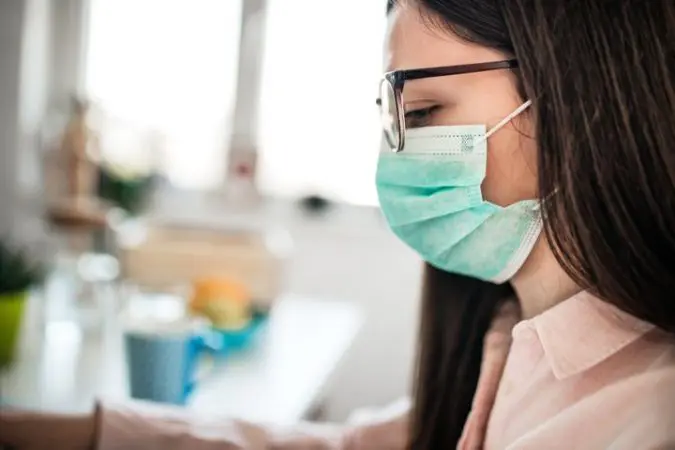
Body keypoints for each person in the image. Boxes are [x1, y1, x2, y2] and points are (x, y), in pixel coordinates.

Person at [3, 0, 675, 448]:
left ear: (567, 91)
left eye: (420, 114)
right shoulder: (506, 341)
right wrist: (56, 431)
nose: (394, 154)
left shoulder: (648, 413)